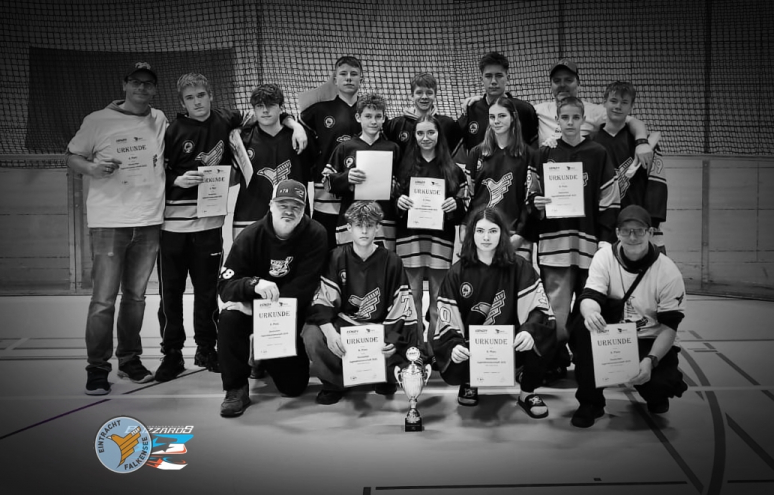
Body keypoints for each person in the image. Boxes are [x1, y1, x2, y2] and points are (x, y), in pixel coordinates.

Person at [67, 62, 166, 394]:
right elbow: (72, 156)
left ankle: (129, 360)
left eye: (148, 83)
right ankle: (97, 368)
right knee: (103, 300)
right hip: (109, 223)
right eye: (136, 82)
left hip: (148, 222)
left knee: (136, 298)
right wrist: (93, 169)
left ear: (154, 89)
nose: (141, 88)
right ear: (125, 84)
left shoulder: (159, 119)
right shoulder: (97, 120)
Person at [528, 96, 621, 385]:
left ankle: (587, 364)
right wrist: (536, 203)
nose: (570, 122)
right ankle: (552, 362)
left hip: (588, 246)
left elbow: (609, 198)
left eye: (575, 117)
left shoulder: (598, 152)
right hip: (553, 245)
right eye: (564, 117)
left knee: (588, 309)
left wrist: (605, 238)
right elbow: (531, 195)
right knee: (554, 312)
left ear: (583, 119)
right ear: (557, 120)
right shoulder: (544, 153)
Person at [216, 179, 327, 417]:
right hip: (253, 307)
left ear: (304, 209)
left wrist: (260, 311)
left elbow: (304, 288)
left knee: (293, 387)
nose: (289, 211)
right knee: (230, 316)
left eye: (296, 206)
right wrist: (253, 284)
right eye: (283, 205)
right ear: (271, 205)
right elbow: (225, 286)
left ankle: (261, 357)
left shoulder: (316, 234)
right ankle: (236, 388)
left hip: (289, 315)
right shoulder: (249, 236)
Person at [569, 205, 688, 428]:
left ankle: (655, 391)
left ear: (650, 233)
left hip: (649, 339)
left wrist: (651, 360)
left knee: (661, 386)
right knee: (583, 328)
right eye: (626, 231)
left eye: (639, 231)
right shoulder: (604, 257)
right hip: (614, 336)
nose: (632, 237)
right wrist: (591, 312)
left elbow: (669, 327)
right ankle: (590, 402)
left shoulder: (668, 272)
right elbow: (590, 295)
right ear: (617, 233)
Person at [433, 207, 556, 417]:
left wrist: (529, 331)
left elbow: (539, 309)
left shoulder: (520, 267)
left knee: (540, 331)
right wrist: (454, 345)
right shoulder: (457, 272)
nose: (486, 237)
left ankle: (527, 393)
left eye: (493, 231)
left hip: (512, 344)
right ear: (471, 234)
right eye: (480, 231)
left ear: (502, 234)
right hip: (472, 347)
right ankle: (469, 381)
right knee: (453, 347)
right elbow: (447, 319)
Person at [302, 201, 422, 405]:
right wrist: (330, 333)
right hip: (346, 325)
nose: (364, 231)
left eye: (369, 225)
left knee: (406, 334)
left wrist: (392, 340)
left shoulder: (392, 261)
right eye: (359, 225)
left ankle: (384, 375)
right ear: (349, 228)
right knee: (312, 334)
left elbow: (403, 309)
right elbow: (322, 301)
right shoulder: (336, 257)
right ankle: (334, 383)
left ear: (378, 227)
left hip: (380, 327)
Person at [395, 115, 469, 357]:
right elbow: (393, 204)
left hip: (440, 240)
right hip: (410, 238)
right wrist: (399, 202)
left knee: (439, 297)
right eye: (420, 133)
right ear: (414, 136)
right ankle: (416, 349)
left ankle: (436, 348)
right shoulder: (403, 167)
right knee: (412, 296)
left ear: (439, 135)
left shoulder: (454, 170)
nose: (425, 138)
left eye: (430, 132)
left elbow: (464, 208)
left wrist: (455, 205)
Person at [232, 83, 315, 239]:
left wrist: (295, 125)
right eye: (259, 106)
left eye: (270, 105)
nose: (265, 110)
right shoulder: (241, 139)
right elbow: (232, 179)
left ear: (281, 107)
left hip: (292, 217)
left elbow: (312, 173)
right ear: (254, 109)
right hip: (249, 218)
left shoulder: (300, 138)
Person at [533, 59, 653, 167]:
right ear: (550, 85)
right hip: (550, 176)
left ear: (578, 84)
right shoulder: (538, 111)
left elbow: (633, 121)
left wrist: (642, 143)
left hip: (582, 174)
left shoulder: (594, 111)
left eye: (568, 80)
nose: (562, 85)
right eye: (557, 81)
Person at [593, 81, 668, 252]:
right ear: (604, 102)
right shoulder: (591, 142)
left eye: (624, 102)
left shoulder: (646, 145)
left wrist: (651, 222)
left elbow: (657, 185)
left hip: (638, 226)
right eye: (613, 101)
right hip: (602, 228)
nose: (618, 106)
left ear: (631, 106)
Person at [463, 96, 538, 261]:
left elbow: (531, 199)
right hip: (481, 236)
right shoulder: (476, 153)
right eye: (492, 117)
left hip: (515, 237)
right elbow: (468, 196)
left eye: (502, 116)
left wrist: (521, 235)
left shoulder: (529, 155)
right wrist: (465, 229)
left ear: (513, 117)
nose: (496, 121)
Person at [301, 56, 364, 251]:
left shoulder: (370, 112)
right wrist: (293, 125)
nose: (348, 78)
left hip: (362, 188)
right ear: (334, 79)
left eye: (354, 74)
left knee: (357, 246)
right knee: (325, 247)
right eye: (343, 74)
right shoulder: (318, 111)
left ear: (361, 79)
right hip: (326, 191)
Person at [324, 93, 401, 251]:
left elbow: (403, 184)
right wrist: (346, 178)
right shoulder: (345, 148)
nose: (373, 121)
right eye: (368, 116)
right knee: (349, 263)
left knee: (382, 264)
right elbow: (326, 182)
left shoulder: (393, 148)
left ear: (384, 118)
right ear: (358, 117)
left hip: (384, 223)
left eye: (378, 116)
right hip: (351, 221)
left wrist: (395, 187)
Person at [457, 52, 539, 153]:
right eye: (488, 76)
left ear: (508, 78)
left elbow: (534, 149)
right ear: (481, 79)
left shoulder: (524, 109)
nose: (494, 81)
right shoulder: (471, 110)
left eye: (499, 76)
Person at [383, 72, 462, 155]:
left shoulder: (448, 124)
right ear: (412, 96)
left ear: (435, 96)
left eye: (429, 93)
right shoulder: (396, 125)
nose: (424, 97)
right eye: (419, 92)